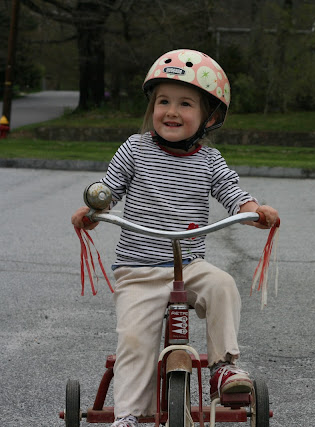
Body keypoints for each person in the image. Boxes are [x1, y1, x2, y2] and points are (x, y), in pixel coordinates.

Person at [71, 49, 279, 427]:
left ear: (209, 117)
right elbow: (109, 190)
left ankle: (223, 367)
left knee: (222, 285)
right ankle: (128, 415)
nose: (171, 111)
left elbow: (233, 193)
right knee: (134, 340)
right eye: (163, 101)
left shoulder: (210, 161)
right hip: (138, 270)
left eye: (185, 104)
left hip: (189, 266)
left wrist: (254, 210)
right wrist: (92, 210)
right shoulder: (135, 149)